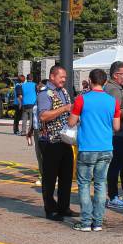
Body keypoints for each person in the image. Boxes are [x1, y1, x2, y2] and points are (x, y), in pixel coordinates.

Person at [67, 69, 120, 232]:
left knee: (83, 184)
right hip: (105, 147)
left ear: (90, 81)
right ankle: (97, 222)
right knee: (100, 184)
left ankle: (85, 222)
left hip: (87, 147)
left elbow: (71, 122)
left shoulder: (81, 99)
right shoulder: (113, 101)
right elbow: (116, 127)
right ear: (105, 82)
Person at [36, 65, 77, 221]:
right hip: (50, 141)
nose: (64, 80)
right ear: (52, 76)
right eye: (62, 77)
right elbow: (43, 116)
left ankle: (64, 207)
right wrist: (65, 108)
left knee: (66, 176)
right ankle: (50, 209)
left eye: (65, 77)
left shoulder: (64, 92)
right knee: (50, 178)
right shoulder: (45, 93)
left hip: (65, 139)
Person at [105, 61, 123, 209]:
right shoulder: (114, 90)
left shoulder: (116, 88)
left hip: (122, 133)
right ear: (115, 75)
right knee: (116, 165)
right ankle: (113, 196)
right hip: (117, 133)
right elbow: (115, 111)